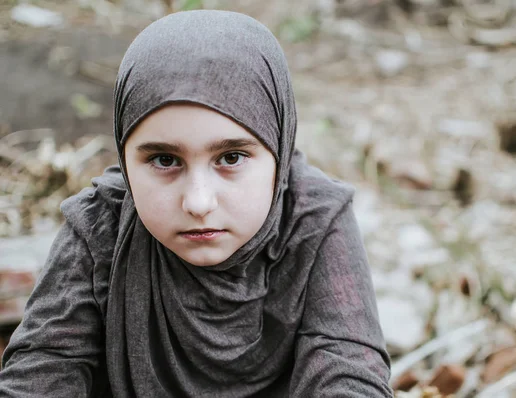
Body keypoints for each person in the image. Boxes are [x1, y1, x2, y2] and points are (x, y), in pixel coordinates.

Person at [0, 10, 393, 397]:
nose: (198, 202)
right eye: (165, 160)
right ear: (124, 158)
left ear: (279, 149)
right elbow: (43, 370)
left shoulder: (315, 219)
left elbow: (348, 370)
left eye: (232, 158)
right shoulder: (101, 224)